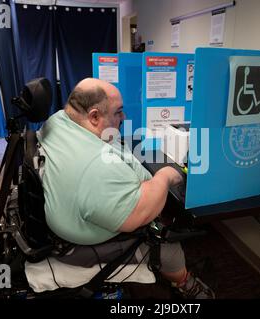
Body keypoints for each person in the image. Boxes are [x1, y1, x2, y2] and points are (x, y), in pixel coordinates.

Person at [37, 78, 215, 299]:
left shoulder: (60, 120)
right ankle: (184, 282)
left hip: (75, 206)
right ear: (93, 116)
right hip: (81, 242)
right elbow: (141, 213)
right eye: (118, 112)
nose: (124, 118)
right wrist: (165, 176)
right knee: (167, 243)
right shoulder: (97, 167)